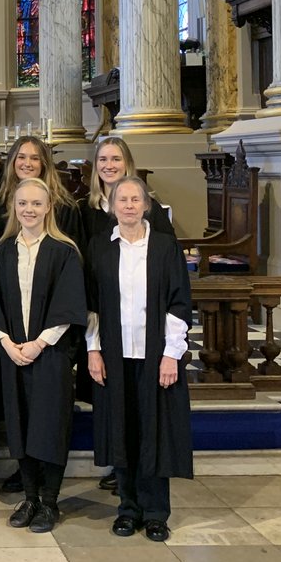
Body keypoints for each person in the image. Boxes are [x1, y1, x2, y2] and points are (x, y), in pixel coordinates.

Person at [86, 175, 193, 543]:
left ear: (147, 205)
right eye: (122, 200)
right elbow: (93, 305)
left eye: (136, 199)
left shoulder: (164, 247)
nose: (129, 205)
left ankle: (156, 512)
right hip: (115, 356)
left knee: (154, 432)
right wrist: (94, 349)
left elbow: (179, 302)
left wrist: (171, 355)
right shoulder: (100, 246)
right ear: (112, 205)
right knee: (123, 432)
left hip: (154, 356)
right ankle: (127, 509)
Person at [0, 178, 86, 533]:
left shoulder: (64, 251)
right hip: (12, 353)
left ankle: (50, 501)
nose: (29, 209)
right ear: (14, 207)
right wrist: (7, 343)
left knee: (50, 426)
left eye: (36, 204)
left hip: (50, 354)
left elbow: (68, 306)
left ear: (48, 207)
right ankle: (30, 497)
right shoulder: (0, 252)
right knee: (21, 425)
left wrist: (40, 343)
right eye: (23, 203)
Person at [0, 136, 85, 250]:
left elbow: (74, 251)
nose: (27, 164)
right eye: (21, 157)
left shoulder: (64, 206)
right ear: (12, 162)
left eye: (34, 158)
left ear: (44, 164)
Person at [81, 136, 174, 243]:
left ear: (127, 164)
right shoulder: (85, 209)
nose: (109, 166)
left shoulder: (149, 207)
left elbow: (169, 248)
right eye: (103, 159)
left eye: (116, 159)